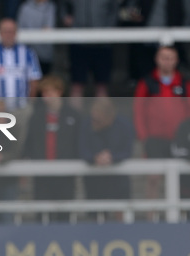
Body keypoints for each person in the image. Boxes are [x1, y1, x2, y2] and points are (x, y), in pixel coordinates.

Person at [0, 17, 41, 223]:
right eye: (5, 31)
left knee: (19, 142)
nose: (8, 34)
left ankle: (18, 172)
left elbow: (34, 79)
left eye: (12, 31)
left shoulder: (27, 53)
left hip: (20, 108)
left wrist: (28, 104)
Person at [134, 46, 190, 218]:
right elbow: (138, 111)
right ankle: (151, 216)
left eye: (170, 57)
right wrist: (144, 138)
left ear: (176, 60)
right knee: (153, 178)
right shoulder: (147, 83)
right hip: (154, 140)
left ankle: (181, 216)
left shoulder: (183, 83)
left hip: (179, 141)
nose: (167, 61)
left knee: (183, 179)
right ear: (157, 59)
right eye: (163, 57)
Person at [22, 75, 79, 222]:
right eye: (44, 94)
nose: (47, 97)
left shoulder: (73, 115)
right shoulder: (37, 117)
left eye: (50, 92)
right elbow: (29, 143)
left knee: (64, 214)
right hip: (42, 174)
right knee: (41, 214)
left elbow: (78, 143)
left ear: (59, 92)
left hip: (66, 174)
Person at [80, 98, 135, 221]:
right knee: (95, 218)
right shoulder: (86, 124)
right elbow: (81, 149)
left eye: (97, 120)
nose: (94, 122)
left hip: (119, 179)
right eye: (93, 118)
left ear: (110, 117)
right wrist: (94, 158)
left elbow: (128, 151)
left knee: (121, 214)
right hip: (94, 180)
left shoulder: (124, 125)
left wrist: (112, 157)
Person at [61, 0, 117, 101]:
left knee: (102, 87)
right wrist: (65, 16)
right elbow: (62, 4)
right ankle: (74, 117)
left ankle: (102, 116)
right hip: (78, 43)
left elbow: (114, 10)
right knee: (77, 86)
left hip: (102, 44)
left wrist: (108, 30)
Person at [17, 0, 56, 75]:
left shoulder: (51, 7)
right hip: (27, 52)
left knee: (44, 81)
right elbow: (20, 28)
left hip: (44, 53)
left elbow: (48, 29)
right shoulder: (25, 7)